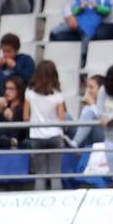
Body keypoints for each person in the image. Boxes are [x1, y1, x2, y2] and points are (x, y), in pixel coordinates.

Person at [26, 60, 69, 190]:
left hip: (36, 136)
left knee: (40, 175)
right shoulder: (58, 94)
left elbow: (25, 116)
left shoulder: (29, 92)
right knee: (55, 174)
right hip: (55, 135)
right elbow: (62, 118)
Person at [0, 75, 29, 151]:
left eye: (11, 89)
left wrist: (11, 118)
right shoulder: (4, 106)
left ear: (19, 90)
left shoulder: (22, 108)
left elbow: (16, 134)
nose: (7, 92)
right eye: (6, 88)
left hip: (14, 142)